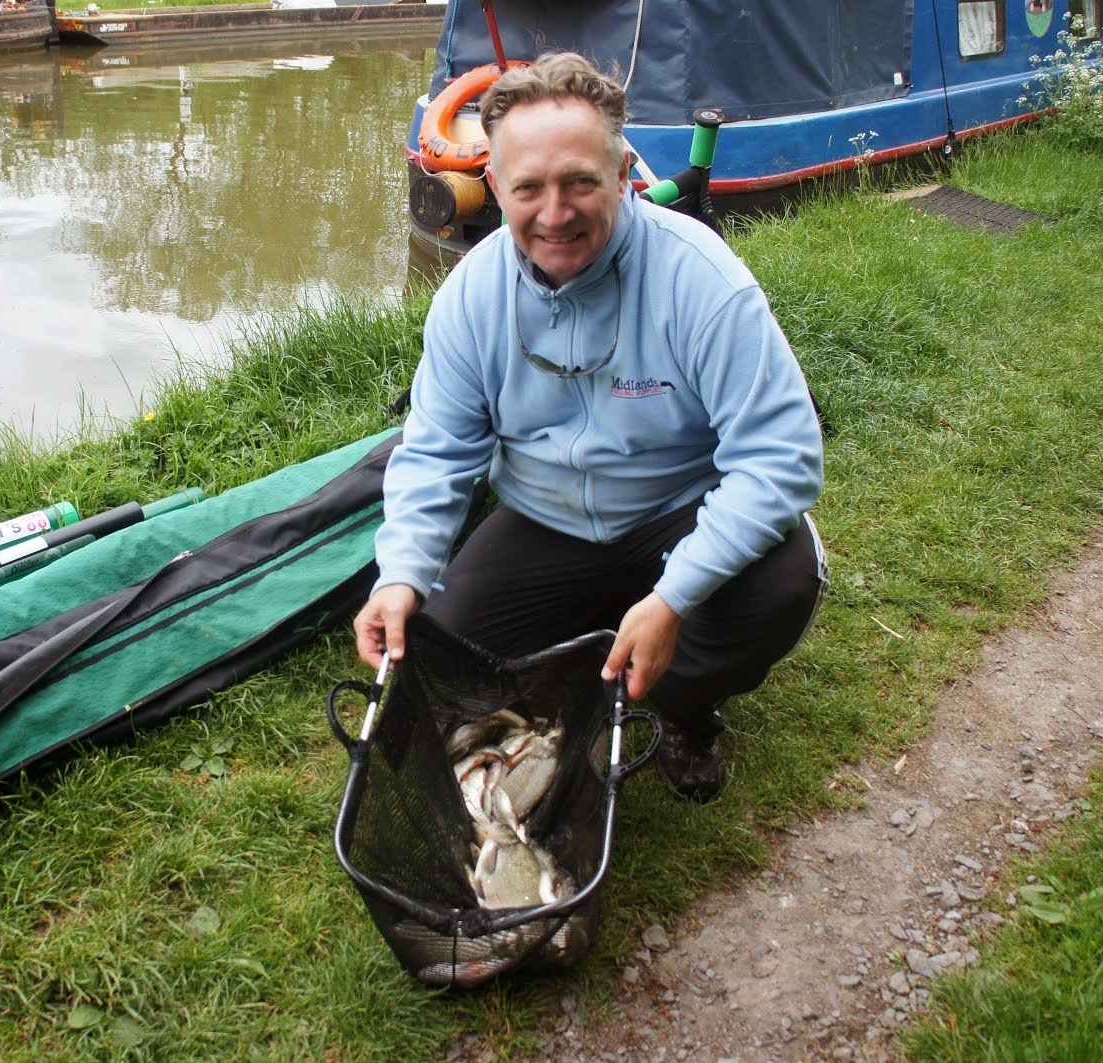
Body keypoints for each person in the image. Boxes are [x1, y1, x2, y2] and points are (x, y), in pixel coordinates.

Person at [353, 52, 826, 802]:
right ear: (495, 187)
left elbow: (783, 461)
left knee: (781, 582)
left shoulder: (701, 278)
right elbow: (439, 450)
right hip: (548, 519)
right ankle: (590, 657)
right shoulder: (470, 295)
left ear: (622, 169)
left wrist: (674, 596)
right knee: (446, 644)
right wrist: (402, 572)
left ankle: (687, 708)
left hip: (681, 509)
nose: (554, 212)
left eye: (579, 181)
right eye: (528, 188)